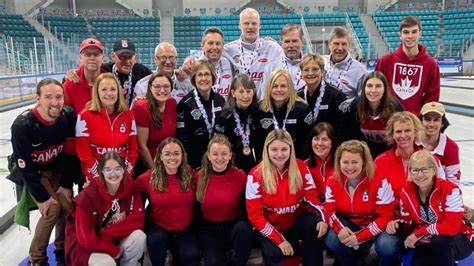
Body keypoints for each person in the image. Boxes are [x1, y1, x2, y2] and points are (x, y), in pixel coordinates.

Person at [11, 78, 77, 266]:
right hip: (34, 171)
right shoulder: (23, 125)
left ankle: (62, 249)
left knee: (67, 206)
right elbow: (24, 165)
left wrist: (65, 185)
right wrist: (41, 198)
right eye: (48, 97)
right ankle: (37, 258)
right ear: (37, 99)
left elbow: (72, 153)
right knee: (52, 209)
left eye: (59, 97)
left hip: (58, 168)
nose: (55, 102)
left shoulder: (69, 116)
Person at [246, 129, 327, 265]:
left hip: (294, 222)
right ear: (266, 150)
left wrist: (321, 218)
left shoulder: (301, 167)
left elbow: (313, 198)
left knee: (315, 226)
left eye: (284, 149)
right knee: (274, 254)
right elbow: (255, 216)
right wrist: (279, 240)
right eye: (274, 149)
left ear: (291, 149)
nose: (279, 154)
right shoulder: (255, 175)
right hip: (270, 227)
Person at [385, 150, 472, 266]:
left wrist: (420, 233)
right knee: (420, 261)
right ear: (409, 172)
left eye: (425, 169)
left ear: (434, 170)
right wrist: (396, 224)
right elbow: (408, 222)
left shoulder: (450, 190)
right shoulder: (406, 193)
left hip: (456, 239)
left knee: (440, 241)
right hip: (426, 241)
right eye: (415, 170)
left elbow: (452, 227)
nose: (420, 175)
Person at [322, 140, 398, 266]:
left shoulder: (379, 180)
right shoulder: (332, 181)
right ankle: (355, 261)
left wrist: (360, 237)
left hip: (378, 227)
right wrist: (340, 229)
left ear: (364, 162)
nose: (350, 167)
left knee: (387, 246)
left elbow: (386, 216)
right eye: (345, 162)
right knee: (332, 239)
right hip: (350, 224)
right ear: (339, 162)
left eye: (355, 162)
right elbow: (329, 210)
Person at [65, 151, 146, 266]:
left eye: (118, 169)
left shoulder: (131, 188)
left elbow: (138, 219)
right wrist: (112, 250)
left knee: (139, 237)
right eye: (108, 169)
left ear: (124, 170)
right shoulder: (87, 197)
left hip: (112, 239)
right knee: (107, 263)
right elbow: (85, 238)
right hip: (87, 246)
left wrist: (110, 233)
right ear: (101, 172)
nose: (113, 174)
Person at [135, 138, 200, 266]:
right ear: (160, 157)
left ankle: (176, 257)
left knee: (191, 257)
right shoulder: (148, 178)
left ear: (182, 156)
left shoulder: (191, 175)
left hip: (185, 228)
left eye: (176, 153)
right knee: (156, 242)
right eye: (167, 154)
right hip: (159, 226)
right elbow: (126, 191)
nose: (172, 157)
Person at [196, 134, 253, 266]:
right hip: (209, 230)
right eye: (215, 154)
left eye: (224, 154)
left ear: (230, 156)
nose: (220, 158)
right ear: (208, 156)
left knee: (244, 229)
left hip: (233, 226)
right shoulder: (199, 177)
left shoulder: (240, 176)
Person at [76, 73, 138, 182]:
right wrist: (98, 175)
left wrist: (125, 172)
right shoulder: (84, 116)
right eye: (104, 89)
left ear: (118, 92)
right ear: (97, 92)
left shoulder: (128, 114)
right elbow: (84, 151)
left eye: (113, 89)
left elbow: (133, 148)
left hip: (122, 175)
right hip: (96, 175)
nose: (109, 93)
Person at [375, 16, 440, 115]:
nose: (410, 36)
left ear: (420, 34)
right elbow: (375, 92)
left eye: (414, 32)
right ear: (400, 35)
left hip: (415, 124)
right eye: (406, 32)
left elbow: (432, 98)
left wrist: (419, 119)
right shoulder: (385, 61)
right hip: (388, 121)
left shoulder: (431, 65)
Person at [374, 111, 444, 200]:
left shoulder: (431, 160)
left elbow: (442, 191)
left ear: (415, 132)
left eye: (407, 130)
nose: (403, 135)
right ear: (392, 135)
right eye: (398, 131)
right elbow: (374, 195)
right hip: (391, 213)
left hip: (421, 213)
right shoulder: (380, 162)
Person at [65, 38, 152, 107]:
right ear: (113, 57)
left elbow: (159, 82)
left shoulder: (143, 72)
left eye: (130, 57)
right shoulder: (105, 71)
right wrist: (69, 75)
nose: (127, 61)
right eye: (122, 57)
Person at [224, 7, 284, 99]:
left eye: (254, 23)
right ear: (239, 25)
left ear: (259, 26)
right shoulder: (228, 50)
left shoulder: (273, 48)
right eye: (246, 23)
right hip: (239, 105)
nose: (250, 27)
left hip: (263, 106)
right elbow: (209, 61)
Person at [177, 59, 226, 169]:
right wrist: (192, 164)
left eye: (207, 74)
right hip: (194, 162)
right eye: (199, 75)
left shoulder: (220, 101)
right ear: (194, 78)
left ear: (213, 77)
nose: (203, 78)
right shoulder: (185, 104)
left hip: (218, 160)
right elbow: (183, 138)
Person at [254, 69, 312, 159]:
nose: (279, 90)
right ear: (269, 88)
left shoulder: (301, 109)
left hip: (295, 161)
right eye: (275, 86)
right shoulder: (260, 109)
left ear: (290, 88)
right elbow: (258, 143)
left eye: (283, 86)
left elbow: (306, 142)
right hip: (267, 162)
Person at [347, 71, 404, 158]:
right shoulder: (356, 106)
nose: (373, 90)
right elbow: (353, 137)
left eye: (378, 86)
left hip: (389, 155)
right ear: (364, 88)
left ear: (385, 88)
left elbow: (399, 136)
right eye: (369, 86)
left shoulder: (395, 107)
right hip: (364, 155)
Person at [132, 71, 177, 177]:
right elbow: (141, 146)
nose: (162, 90)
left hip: (168, 162)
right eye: (157, 86)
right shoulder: (141, 108)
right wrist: (155, 171)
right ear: (150, 88)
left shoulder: (172, 103)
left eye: (166, 86)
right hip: (147, 166)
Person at [297, 53, 347, 141]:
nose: (310, 73)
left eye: (315, 69)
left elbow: (343, 130)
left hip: (330, 148)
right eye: (306, 70)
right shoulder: (297, 96)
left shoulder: (336, 96)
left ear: (323, 71)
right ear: (301, 73)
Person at [215, 74, 258, 173]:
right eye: (241, 92)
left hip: (256, 166)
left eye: (248, 91)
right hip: (232, 167)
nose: (245, 96)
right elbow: (219, 147)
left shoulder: (258, 113)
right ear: (233, 93)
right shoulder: (224, 117)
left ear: (254, 93)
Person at [417, 102, 460, 184]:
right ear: (420, 121)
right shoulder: (412, 141)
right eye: (427, 119)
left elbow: (453, 182)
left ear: (442, 123)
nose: (431, 124)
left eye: (436, 120)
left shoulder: (451, 147)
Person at [63, 37, 106, 115]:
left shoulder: (111, 83)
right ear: (80, 58)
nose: (92, 58)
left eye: (96, 54)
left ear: (103, 58)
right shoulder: (69, 85)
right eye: (87, 54)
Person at [323, 26, 367, 101]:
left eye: (344, 44)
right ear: (329, 45)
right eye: (336, 44)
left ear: (349, 46)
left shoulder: (360, 70)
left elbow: (363, 101)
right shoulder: (321, 63)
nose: (340, 48)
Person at [263, 24, 306, 91]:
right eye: (287, 41)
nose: (291, 45)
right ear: (281, 43)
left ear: (302, 41)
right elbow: (265, 96)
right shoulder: (271, 68)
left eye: (294, 41)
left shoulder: (310, 66)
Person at [304, 122, 337, 201]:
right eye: (316, 139)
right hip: (313, 210)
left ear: (332, 142)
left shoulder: (341, 165)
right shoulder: (304, 166)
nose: (319, 143)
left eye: (324, 139)